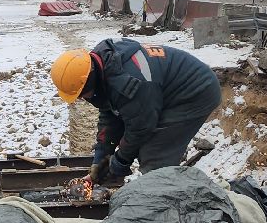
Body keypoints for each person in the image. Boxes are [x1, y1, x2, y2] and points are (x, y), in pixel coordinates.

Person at [50, 38, 221, 185]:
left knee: (153, 154)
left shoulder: (129, 83)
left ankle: (161, 199)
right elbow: (110, 112)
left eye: (80, 95)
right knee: (145, 145)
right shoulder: (103, 65)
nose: (80, 99)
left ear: (88, 82)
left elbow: (141, 127)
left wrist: (120, 161)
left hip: (195, 92)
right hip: (160, 94)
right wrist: (102, 156)